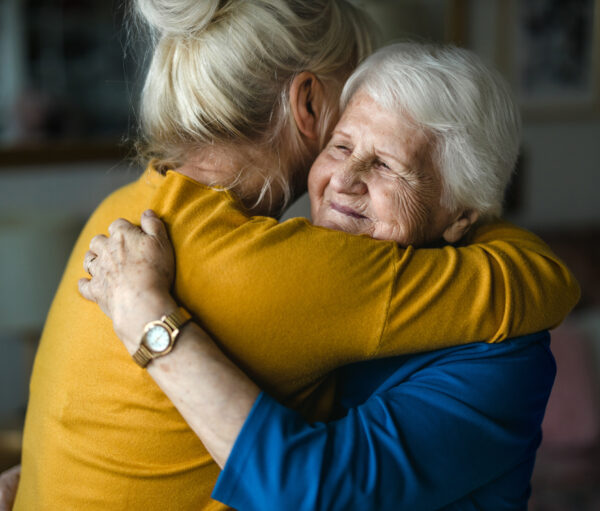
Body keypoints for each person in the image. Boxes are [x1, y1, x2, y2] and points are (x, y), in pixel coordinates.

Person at [11, 1, 578, 509]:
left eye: (387, 165)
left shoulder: (118, 211)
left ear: (461, 216)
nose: (345, 180)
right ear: (308, 103)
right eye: (341, 141)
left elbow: (311, 488)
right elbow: (541, 281)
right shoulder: (288, 268)